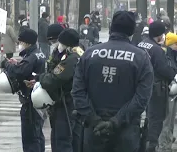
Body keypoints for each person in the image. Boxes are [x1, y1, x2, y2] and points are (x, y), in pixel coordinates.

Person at [72, 11, 154, 152]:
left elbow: (77, 92)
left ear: (111, 28)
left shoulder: (89, 54)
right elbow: (142, 98)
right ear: (133, 31)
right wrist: (116, 122)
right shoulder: (141, 58)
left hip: (93, 131)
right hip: (125, 132)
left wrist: (94, 119)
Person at [33, 28, 83, 152]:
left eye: (60, 42)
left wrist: (40, 77)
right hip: (71, 103)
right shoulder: (78, 54)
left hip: (66, 105)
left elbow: (53, 79)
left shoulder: (71, 59)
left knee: (62, 140)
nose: (58, 45)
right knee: (72, 140)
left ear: (66, 43)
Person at [1, 28, 46, 152]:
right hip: (38, 100)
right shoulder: (38, 53)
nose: (19, 44)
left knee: (30, 137)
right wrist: (18, 63)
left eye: (20, 42)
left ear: (27, 43)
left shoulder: (31, 57)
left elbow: (19, 72)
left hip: (30, 101)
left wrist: (7, 64)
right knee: (37, 135)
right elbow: (25, 67)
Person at [137, 20, 177, 152]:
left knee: (145, 119)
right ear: (159, 35)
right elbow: (167, 71)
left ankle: (142, 144)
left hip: (140, 88)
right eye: (163, 34)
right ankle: (151, 146)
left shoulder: (141, 44)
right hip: (156, 90)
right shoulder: (157, 50)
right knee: (156, 120)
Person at [158, 32, 177, 152]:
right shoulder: (165, 55)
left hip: (173, 91)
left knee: (170, 120)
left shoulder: (173, 55)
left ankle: (168, 140)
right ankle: (164, 145)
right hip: (168, 91)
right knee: (167, 119)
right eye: (175, 43)